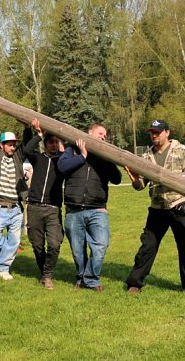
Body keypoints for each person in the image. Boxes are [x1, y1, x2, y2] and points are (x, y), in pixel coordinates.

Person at [125, 119, 185, 297]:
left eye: (157, 132)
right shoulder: (146, 157)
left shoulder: (182, 151)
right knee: (148, 246)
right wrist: (134, 178)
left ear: (167, 132)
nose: (154, 135)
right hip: (157, 207)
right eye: (152, 132)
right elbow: (140, 186)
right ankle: (134, 283)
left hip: (179, 204)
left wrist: (167, 179)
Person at [58, 122, 122, 291]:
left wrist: (107, 158)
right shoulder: (72, 150)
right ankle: (81, 278)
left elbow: (117, 179)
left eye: (105, 135)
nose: (103, 137)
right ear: (89, 133)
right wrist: (83, 157)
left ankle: (91, 279)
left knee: (100, 245)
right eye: (100, 133)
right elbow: (62, 167)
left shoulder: (105, 156)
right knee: (78, 251)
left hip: (97, 209)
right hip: (74, 209)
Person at [0, 102, 28, 281]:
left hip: (16, 209)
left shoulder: (17, 157)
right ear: (1, 145)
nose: (12, 147)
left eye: (14, 144)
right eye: (9, 144)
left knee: (14, 242)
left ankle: (3, 267)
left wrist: (27, 128)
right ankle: (1, 260)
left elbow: (28, 146)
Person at [24, 118, 65, 289]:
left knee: (55, 243)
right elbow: (26, 148)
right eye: (51, 142)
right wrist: (38, 135)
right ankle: (44, 272)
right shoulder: (38, 158)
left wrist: (64, 143)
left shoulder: (63, 161)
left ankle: (47, 275)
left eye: (57, 142)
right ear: (46, 144)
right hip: (34, 207)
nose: (54, 145)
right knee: (37, 244)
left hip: (53, 209)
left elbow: (72, 154)